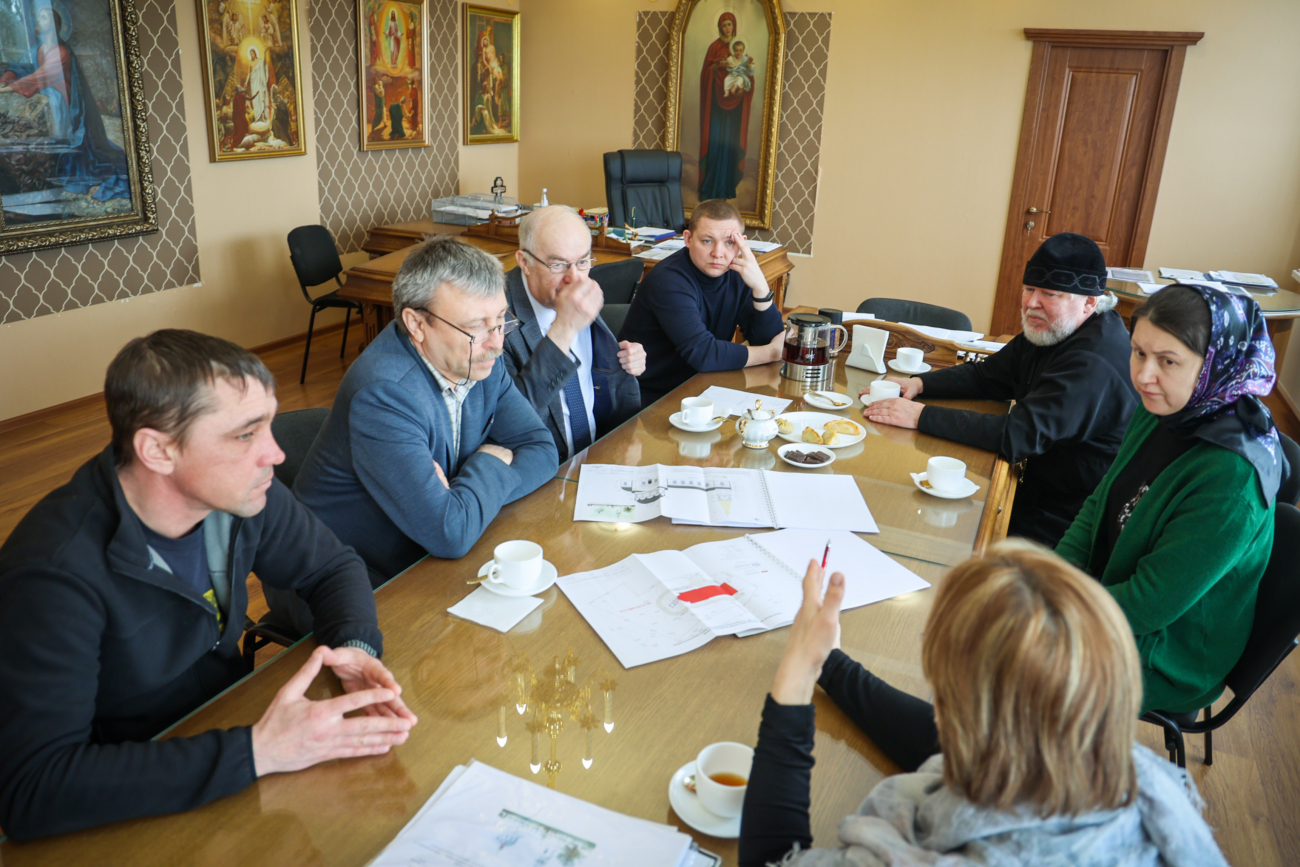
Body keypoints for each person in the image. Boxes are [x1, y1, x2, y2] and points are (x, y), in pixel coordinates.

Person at [0, 330, 416, 840]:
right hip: (130, 808)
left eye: (268, 426)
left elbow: (330, 567)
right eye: (245, 435)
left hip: (231, 742)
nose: (275, 453)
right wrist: (257, 750)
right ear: (158, 450)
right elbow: (34, 788)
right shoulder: (51, 576)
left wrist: (353, 646)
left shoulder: (239, 495)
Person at [739, 542, 1229, 867]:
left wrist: (795, 678)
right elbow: (948, 741)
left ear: (951, 705)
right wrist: (829, 663)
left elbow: (772, 859)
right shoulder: (1137, 778)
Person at [1056, 283, 1282, 715]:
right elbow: (1099, 503)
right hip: (1111, 596)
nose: (1144, 375)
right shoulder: (1164, 407)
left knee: (1007, 660)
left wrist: (1054, 610)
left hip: (1164, 651)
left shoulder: (1232, 478)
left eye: (1168, 361)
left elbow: (1148, 605)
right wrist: (1053, 577)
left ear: (1214, 364)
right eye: (1139, 352)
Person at [286, 235, 557, 591]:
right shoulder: (383, 394)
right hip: (343, 580)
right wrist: (489, 462)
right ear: (416, 324)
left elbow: (542, 449)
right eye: (475, 326)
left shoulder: (479, 358)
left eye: (500, 319)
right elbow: (450, 533)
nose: (496, 342)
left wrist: (461, 502)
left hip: (422, 553)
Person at [864, 232, 1138, 546]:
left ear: (1089, 301)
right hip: (1034, 487)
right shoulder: (1054, 327)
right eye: (1029, 289)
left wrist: (920, 416)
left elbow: (1018, 435)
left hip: (1068, 521)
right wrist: (920, 383)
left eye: (1049, 294)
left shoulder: (1094, 361)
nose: (1032, 303)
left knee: (936, 533)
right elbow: (988, 376)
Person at [501, 206, 645, 462]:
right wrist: (564, 329)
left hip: (603, 454)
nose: (575, 278)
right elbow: (511, 421)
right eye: (558, 264)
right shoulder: (494, 316)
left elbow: (599, 381)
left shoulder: (574, 289)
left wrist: (629, 359)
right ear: (524, 262)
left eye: (583, 262)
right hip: (544, 471)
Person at [617, 199, 785, 407]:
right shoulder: (668, 280)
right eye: (707, 241)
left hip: (703, 386)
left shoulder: (737, 273)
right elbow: (703, 354)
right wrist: (772, 352)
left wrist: (761, 288)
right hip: (651, 398)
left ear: (741, 243)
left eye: (729, 242)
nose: (718, 253)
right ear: (688, 239)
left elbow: (767, 338)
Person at [0, 6, 130, 204]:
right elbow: (18, 65)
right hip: (49, 97)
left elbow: (39, 77)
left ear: (54, 25)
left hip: (66, 103)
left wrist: (7, 89)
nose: (38, 20)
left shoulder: (61, 53)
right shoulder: (38, 49)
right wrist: (5, 79)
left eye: (43, 17)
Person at [698, 12, 753, 200]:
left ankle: (726, 188)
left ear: (734, 26)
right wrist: (716, 67)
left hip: (735, 106)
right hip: (716, 105)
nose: (726, 28)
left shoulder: (739, 48)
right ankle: (710, 187)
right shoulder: (714, 47)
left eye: (729, 24)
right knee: (714, 143)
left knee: (730, 145)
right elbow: (705, 74)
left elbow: (749, 78)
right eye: (724, 25)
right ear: (719, 27)